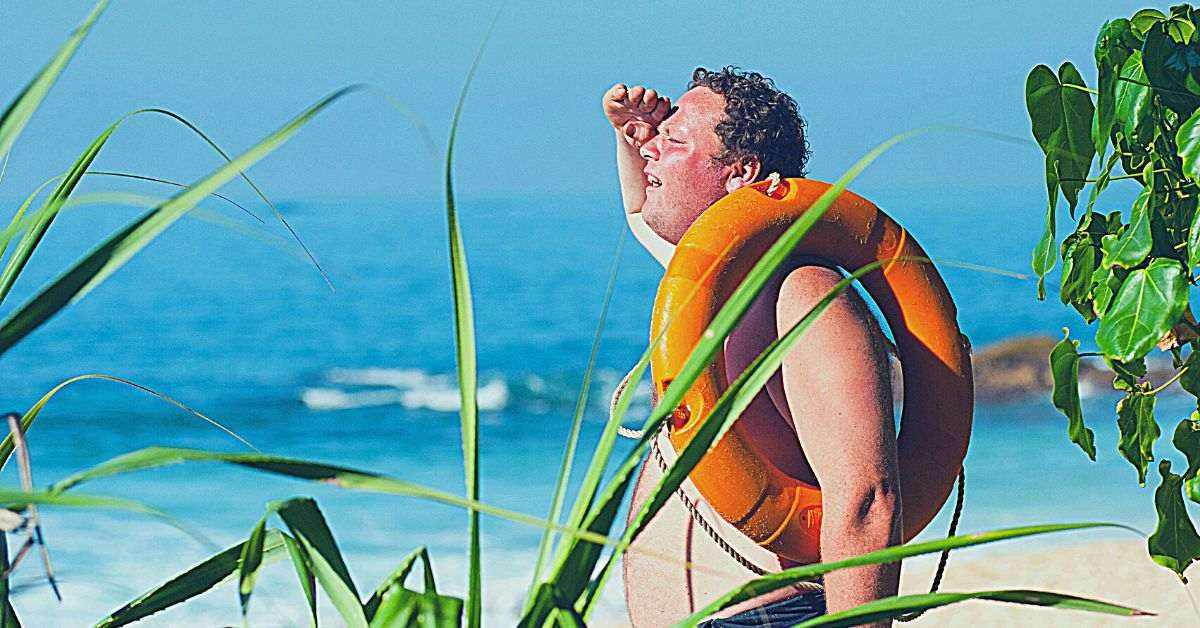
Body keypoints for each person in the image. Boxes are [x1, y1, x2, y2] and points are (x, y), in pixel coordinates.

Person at [606, 67, 901, 627]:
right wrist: (630, 133)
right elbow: (639, 214)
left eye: (674, 141)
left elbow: (867, 498)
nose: (651, 154)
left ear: (739, 172)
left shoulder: (802, 295)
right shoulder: (719, 292)